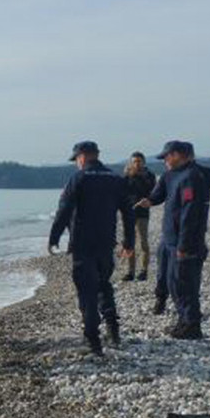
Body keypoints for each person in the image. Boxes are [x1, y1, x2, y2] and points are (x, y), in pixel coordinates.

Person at [49, 141, 135, 355]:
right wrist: (129, 241)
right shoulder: (115, 178)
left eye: (76, 159)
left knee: (86, 290)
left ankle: (92, 339)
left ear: (82, 157)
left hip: (83, 244)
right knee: (103, 284)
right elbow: (128, 212)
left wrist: (54, 237)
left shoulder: (79, 178)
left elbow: (64, 209)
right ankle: (113, 330)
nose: (76, 163)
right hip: (106, 242)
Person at [136, 141, 210, 339]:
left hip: (185, 242)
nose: (164, 161)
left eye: (166, 156)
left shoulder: (192, 176)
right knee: (172, 282)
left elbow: (190, 213)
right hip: (169, 239)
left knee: (185, 283)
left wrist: (184, 244)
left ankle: (192, 325)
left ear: (178, 155)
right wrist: (150, 201)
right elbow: (159, 194)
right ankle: (183, 321)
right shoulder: (170, 175)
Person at [122, 152, 156, 282]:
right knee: (129, 242)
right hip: (129, 212)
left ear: (143, 162)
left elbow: (153, 192)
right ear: (131, 162)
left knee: (143, 242)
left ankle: (143, 271)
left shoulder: (149, 176)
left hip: (142, 212)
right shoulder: (127, 176)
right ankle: (130, 272)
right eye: (134, 161)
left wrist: (147, 200)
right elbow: (122, 193)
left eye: (139, 161)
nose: (137, 164)